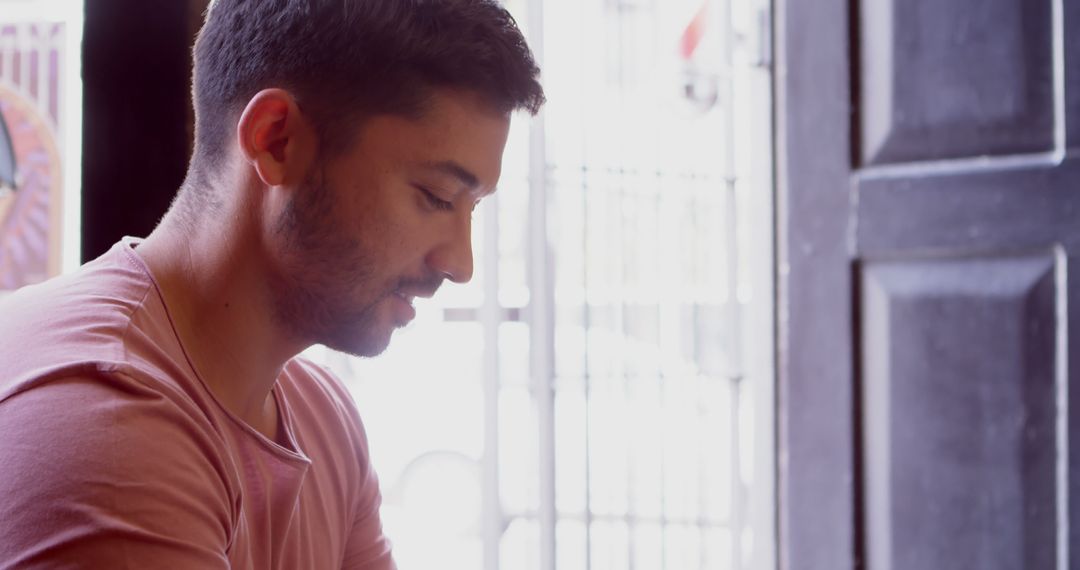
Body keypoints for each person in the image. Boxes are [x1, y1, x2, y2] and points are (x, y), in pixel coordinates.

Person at [0, 0, 544, 568]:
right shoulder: (105, 424)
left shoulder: (324, 420)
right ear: (276, 139)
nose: (460, 263)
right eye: (435, 196)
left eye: (471, 209)